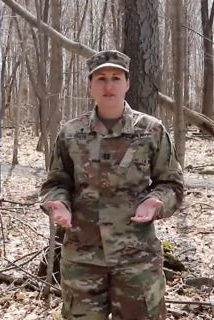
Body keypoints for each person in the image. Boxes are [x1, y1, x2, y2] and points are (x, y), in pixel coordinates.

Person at [39, 49, 184, 320]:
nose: (109, 85)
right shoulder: (71, 133)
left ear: (127, 84)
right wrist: (58, 204)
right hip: (83, 259)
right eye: (101, 78)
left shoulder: (150, 130)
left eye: (116, 78)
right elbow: (55, 182)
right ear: (89, 85)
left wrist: (157, 203)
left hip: (136, 259)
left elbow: (172, 183)